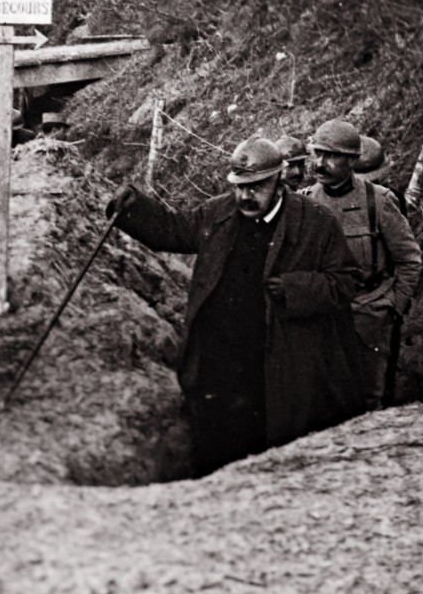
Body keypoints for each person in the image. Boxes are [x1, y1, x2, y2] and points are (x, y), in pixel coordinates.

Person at [106, 136, 366, 477]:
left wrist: (295, 288)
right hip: (220, 365)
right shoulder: (218, 213)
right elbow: (173, 230)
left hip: (277, 362)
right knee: (216, 453)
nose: (245, 196)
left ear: (279, 178)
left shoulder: (315, 223)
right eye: (239, 186)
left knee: (272, 454)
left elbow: (346, 281)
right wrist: (136, 208)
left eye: (256, 186)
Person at [302, 119, 422, 409]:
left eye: (332, 156)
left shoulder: (377, 201)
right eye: (318, 154)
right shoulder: (304, 202)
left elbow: (409, 258)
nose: (321, 163)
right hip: (324, 316)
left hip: (370, 315)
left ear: (353, 160)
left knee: (371, 397)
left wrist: (393, 304)